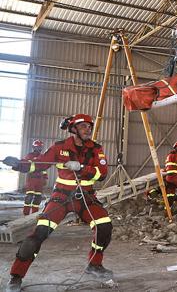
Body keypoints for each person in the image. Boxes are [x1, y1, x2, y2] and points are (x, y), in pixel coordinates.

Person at [2, 114, 112, 292]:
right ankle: (16, 276)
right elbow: (38, 165)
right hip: (61, 197)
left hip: (85, 197)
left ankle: (94, 265)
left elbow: (102, 173)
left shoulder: (96, 149)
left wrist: (82, 168)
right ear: (73, 129)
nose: (88, 129)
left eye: (89, 127)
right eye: (84, 126)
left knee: (104, 226)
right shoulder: (60, 147)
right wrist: (18, 164)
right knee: (37, 235)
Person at [21, 140, 48, 215]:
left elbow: (44, 168)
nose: (38, 149)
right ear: (33, 147)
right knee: (29, 196)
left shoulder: (42, 156)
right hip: (31, 178)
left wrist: (45, 178)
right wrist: (34, 160)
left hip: (40, 179)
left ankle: (34, 214)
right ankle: (26, 214)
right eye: (37, 147)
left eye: (40, 147)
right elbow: (25, 165)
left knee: (38, 197)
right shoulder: (29, 156)